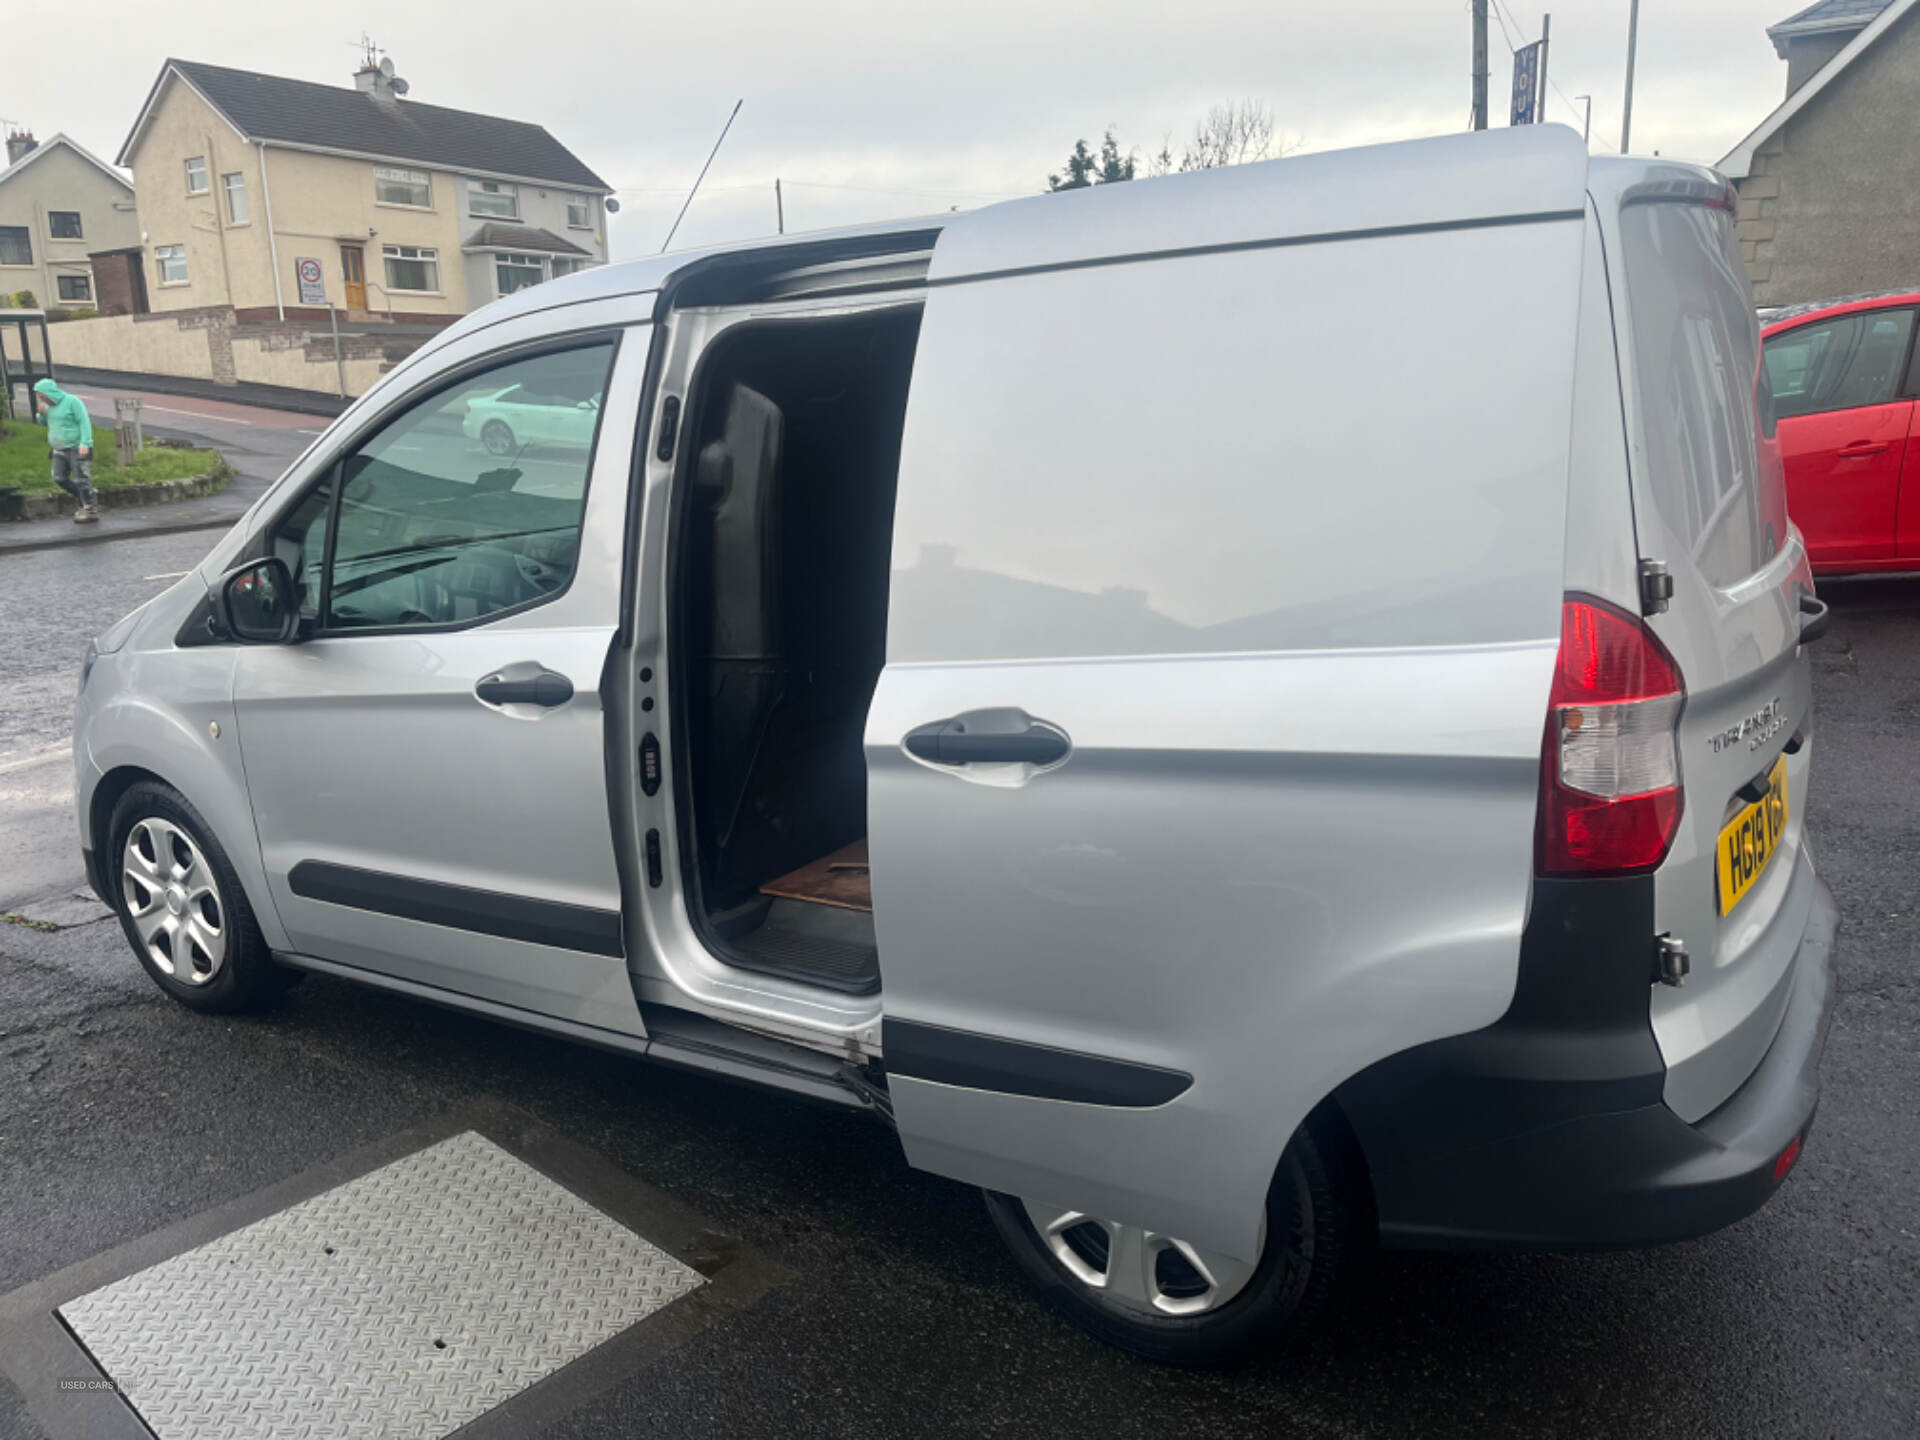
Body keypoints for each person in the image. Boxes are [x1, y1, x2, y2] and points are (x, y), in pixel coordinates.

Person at [33, 378, 97, 524]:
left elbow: (84, 421)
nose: (41, 399)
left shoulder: (72, 401)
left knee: (81, 479)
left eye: (42, 396)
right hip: (59, 449)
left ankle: (90, 508)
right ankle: (83, 499)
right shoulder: (48, 407)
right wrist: (41, 414)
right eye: (39, 397)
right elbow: (44, 423)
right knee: (59, 477)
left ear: (50, 393)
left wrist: (85, 442)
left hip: (77, 447)